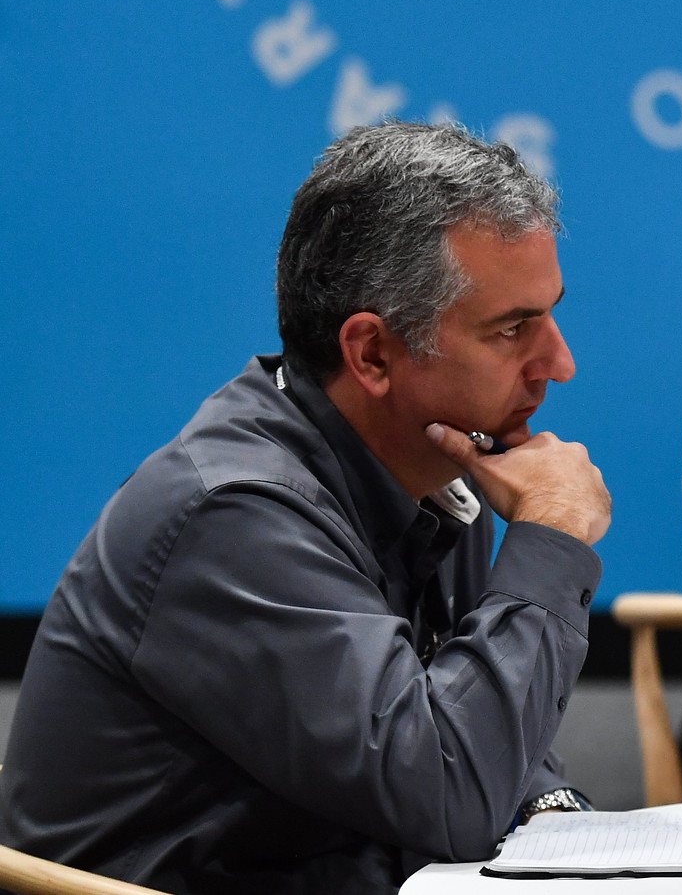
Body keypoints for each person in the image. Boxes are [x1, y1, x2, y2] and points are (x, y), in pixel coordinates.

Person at [0, 123, 612, 894]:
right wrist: (550, 540)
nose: (560, 363)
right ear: (372, 354)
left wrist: (553, 811)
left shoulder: (439, 472)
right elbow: (451, 791)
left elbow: (478, 732)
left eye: (550, 315)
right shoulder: (232, 515)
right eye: (512, 329)